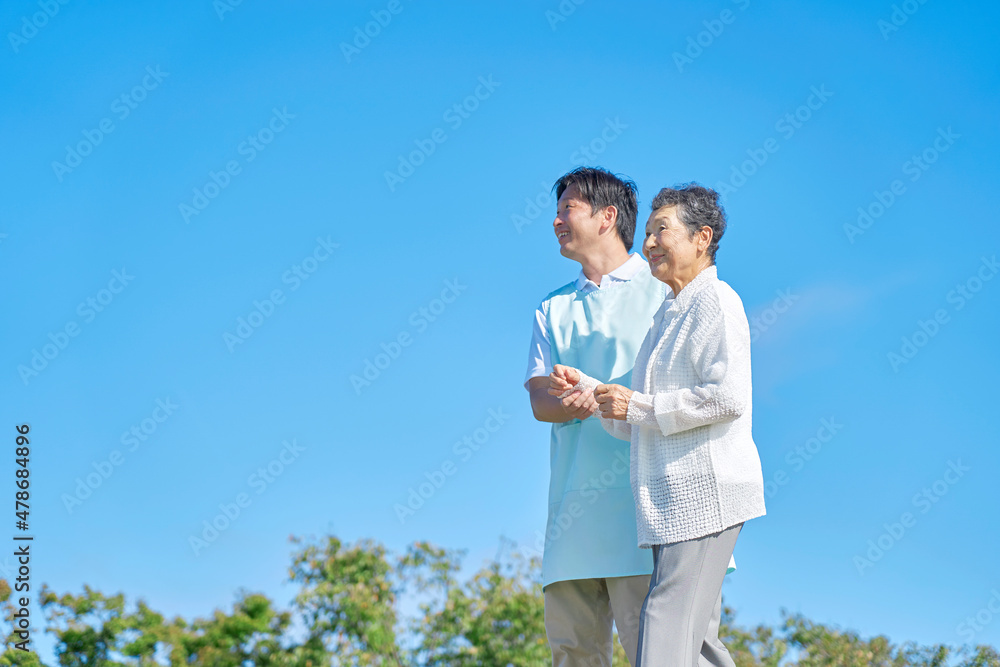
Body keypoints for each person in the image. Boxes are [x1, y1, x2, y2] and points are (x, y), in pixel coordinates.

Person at [548, 183, 766, 667]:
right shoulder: (666, 314)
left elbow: (726, 397)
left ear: (702, 238)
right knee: (688, 642)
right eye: (646, 233)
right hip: (668, 504)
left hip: (706, 493)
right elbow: (638, 417)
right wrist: (595, 392)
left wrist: (637, 407)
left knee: (664, 626)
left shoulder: (717, 301)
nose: (648, 243)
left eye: (660, 231)